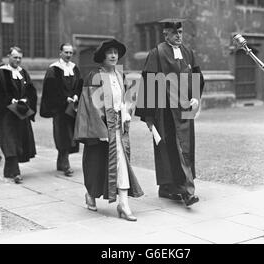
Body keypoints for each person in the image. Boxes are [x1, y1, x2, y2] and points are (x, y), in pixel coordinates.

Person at [135, 18, 204, 207]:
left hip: (185, 108)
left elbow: (197, 76)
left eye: (180, 32)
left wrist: (196, 97)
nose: (178, 36)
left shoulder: (188, 52)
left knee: (185, 146)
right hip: (165, 111)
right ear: (165, 34)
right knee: (170, 149)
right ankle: (183, 190)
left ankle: (170, 187)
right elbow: (149, 81)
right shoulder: (157, 53)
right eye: (174, 33)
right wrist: (149, 116)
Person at [74, 39, 143, 221]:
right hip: (103, 127)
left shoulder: (120, 75)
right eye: (109, 52)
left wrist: (127, 110)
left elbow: (126, 99)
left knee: (121, 162)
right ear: (102, 56)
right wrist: (101, 129)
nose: (113, 55)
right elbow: (91, 104)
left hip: (118, 127)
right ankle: (91, 193)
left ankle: (123, 203)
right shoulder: (94, 76)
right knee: (96, 163)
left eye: (115, 52)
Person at [0, 46, 37, 184]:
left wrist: (26, 100)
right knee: (9, 141)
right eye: (15, 57)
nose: (17, 60)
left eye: (20, 58)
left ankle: (8, 170)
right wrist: (10, 101)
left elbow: (30, 91)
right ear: (8, 57)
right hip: (6, 114)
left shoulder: (23, 73)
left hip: (20, 113)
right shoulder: (0, 73)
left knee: (19, 140)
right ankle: (15, 172)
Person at [40, 43, 83, 177]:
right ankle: (65, 163)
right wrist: (65, 99)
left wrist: (76, 95)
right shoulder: (53, 69)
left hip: (72, 108)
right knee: (63, 135)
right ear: (60, 53)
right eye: (66, 52)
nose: (69, 55)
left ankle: (61, 161)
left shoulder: (74, 68)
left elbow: (80, 84)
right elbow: (50, 90)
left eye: (71, 53)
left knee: (71, 134)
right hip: (60, 108)